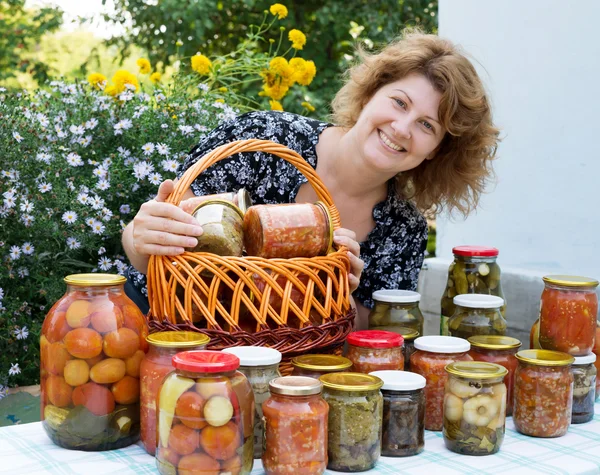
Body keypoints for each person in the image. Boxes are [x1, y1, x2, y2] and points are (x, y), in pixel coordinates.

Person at [122, 29, 499, 329]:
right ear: (371, 93)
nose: (401, 128)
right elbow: (154, 246)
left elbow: (367, 338)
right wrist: (140, 235)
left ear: (435, 149)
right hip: (161, 330)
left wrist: (339, 292)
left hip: (281, 372)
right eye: (399, 102)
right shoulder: (263, 138)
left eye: (426, 125)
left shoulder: (403, 229)